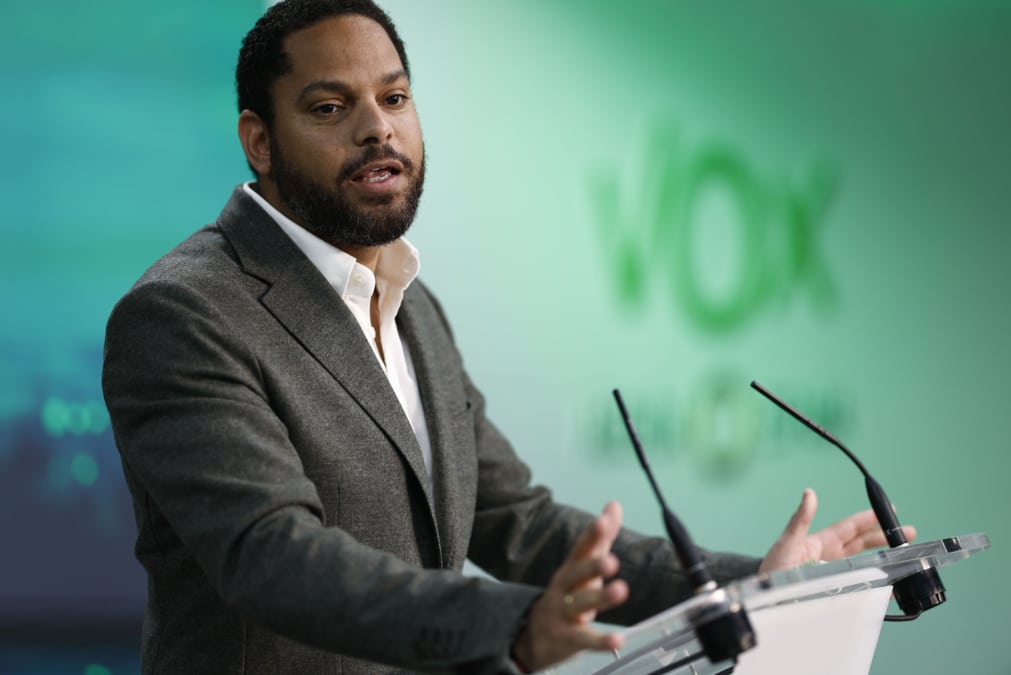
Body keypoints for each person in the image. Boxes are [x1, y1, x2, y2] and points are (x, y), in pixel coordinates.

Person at [101, 1, 914, 673]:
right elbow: (271, 554)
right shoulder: (185, 313)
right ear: (259, 141)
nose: (377, 130)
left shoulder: (410, 302)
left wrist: (754, 586)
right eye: (329, 107)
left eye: (394, 97)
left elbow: (515, 521)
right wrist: (514, 625)